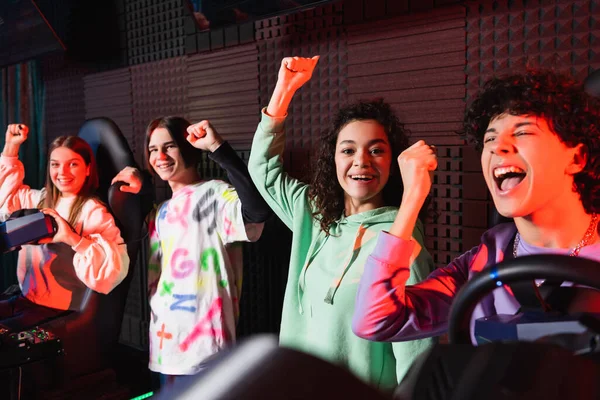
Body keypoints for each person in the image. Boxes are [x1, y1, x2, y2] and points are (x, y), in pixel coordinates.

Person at [352, 69, 600, 343]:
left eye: (523, 132)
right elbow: (375, 321)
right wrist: (412, 198)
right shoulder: (482, 262)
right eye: (490, 138)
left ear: (577, 158)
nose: (497, 147)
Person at [247, 56, 436, 391]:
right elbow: (263, 169)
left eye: (376, 151)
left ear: (393, 162)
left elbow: (417, 356)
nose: (360, 161)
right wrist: (284, 91)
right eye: (348, 150)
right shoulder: (311, 212)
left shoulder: (402, 239)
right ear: (332, 159)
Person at [111, 117, 272, 384]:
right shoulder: (159, 211)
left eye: (169, 146)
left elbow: (257, 212)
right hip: (164, 347)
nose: (160, 156)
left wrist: (219, 148)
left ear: (187, 148)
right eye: (153, 150)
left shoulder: (215, 194)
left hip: (206, 348)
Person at [0, 124, 129, 329]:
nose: (62, 172)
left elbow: (112, 271)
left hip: (61, 309)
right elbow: (6, 201)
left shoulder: (92, 210)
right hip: (27, 297)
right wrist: (10, 147)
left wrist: (72, 238)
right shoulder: (40, 199)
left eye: (73, 164)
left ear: (88, 168)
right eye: (55, 164)